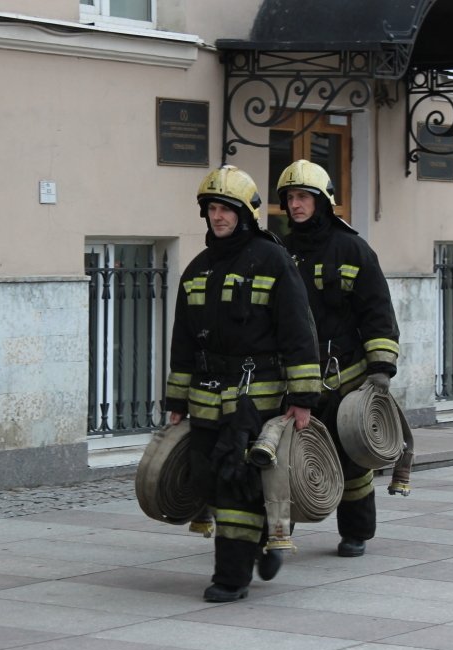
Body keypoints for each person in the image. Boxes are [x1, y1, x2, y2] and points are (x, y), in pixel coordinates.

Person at [165, 164, 321, 602]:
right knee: (207, 478)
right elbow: (181, 340)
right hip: (206, 396)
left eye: (227, 209)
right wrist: (177, 398)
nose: (218, 216)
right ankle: (266, 538)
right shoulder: (197, 269)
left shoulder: (272, 260)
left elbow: (298, 331)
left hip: (257, 394)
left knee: (237, 481)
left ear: (246, 213)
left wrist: (302, 396)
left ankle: (231, 578)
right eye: (212, 208)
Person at [276, 159, 401, 558]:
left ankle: (356, 533)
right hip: (291, 379)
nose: (295, 205)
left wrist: (380, 367)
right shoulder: (279, 251)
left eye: (303, 197)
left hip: (343, 378)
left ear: (322, 201)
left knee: (352, 462)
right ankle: (278, 533)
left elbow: (377, 311)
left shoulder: (352, 249)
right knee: (285, 460)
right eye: (290, 198)